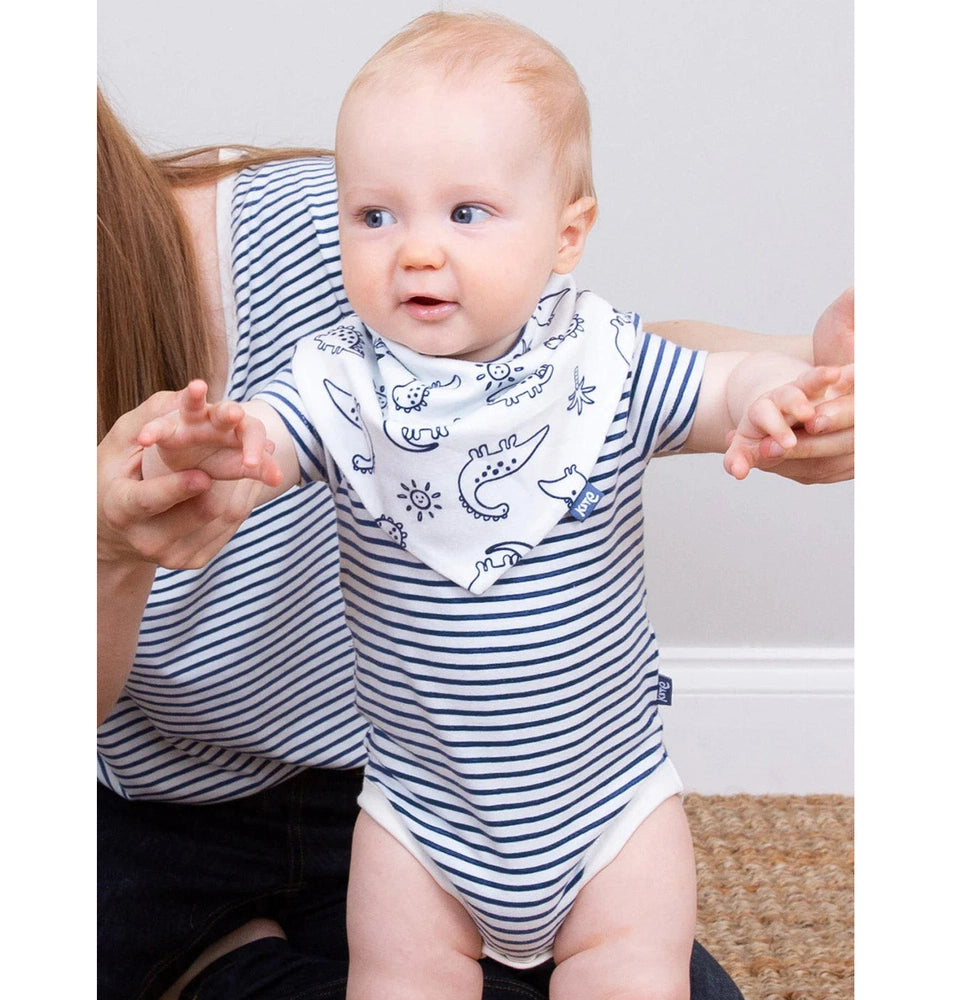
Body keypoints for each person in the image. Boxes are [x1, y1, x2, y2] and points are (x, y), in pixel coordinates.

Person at [130, 12, 854, 1000]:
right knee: (399, 976)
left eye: (465, 214)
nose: (416, 252)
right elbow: (276, 432)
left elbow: (713, 386)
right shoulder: (344, 379)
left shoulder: (602, 362)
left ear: (566, 234)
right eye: (375, 218)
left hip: (610, 808)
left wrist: (777, 396)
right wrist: (231, 444)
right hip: (414, 815)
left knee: (637, 973)